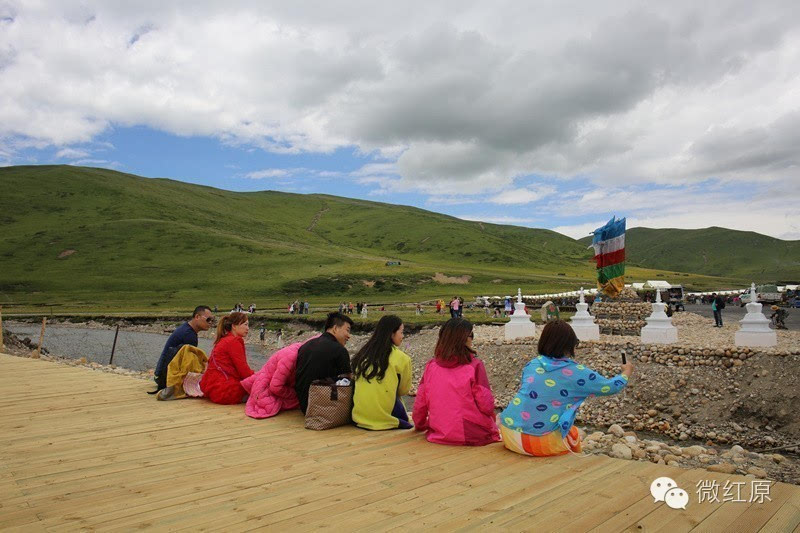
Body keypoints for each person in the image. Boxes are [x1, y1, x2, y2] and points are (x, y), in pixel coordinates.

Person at [499, 320, 633, 456]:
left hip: (508, 433)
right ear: (569, 345)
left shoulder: (532, 364)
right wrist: (626, 372)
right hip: (537, 442)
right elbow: (609, 387)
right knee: (572, 434)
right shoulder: (576, 372)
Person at [413, 318, 500, 446]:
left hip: (439, 432)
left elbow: (420, 403)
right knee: (500, 420)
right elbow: (486, 405)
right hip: (472, 434)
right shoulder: (475, 366)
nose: (472, 339)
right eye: (471, 336)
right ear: (464, 339)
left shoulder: (431, 366)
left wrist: (420, 425)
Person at [351, 315, 413, 430]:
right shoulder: (402, 359)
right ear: (392, 333)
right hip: (385, 419)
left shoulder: (363, 354)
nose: (402, 336)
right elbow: (403, 390)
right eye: (401, 332)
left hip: (359, 417)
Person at [294, 312, 354, 413]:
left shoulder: (306, 346)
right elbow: (347, 382)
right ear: (335, 328)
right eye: (347, 330)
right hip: (323, 408)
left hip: (304, 406)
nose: (349, 336)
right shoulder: (340, 350)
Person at [153, 306, 214, 392]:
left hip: (160, 374)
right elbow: (189, 363)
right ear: (197, 317)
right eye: (208, 319)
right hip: (165, 378)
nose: (210, 323)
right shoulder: (189, 335)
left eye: (212, 320)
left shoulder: (186, 328)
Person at [199, 312, 254, 404]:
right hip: (226, 391)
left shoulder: (224, 340)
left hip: (212, 388)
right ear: (234, 326)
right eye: (245, 325)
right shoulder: (234, 341)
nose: (247, 328)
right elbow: (244, 372)